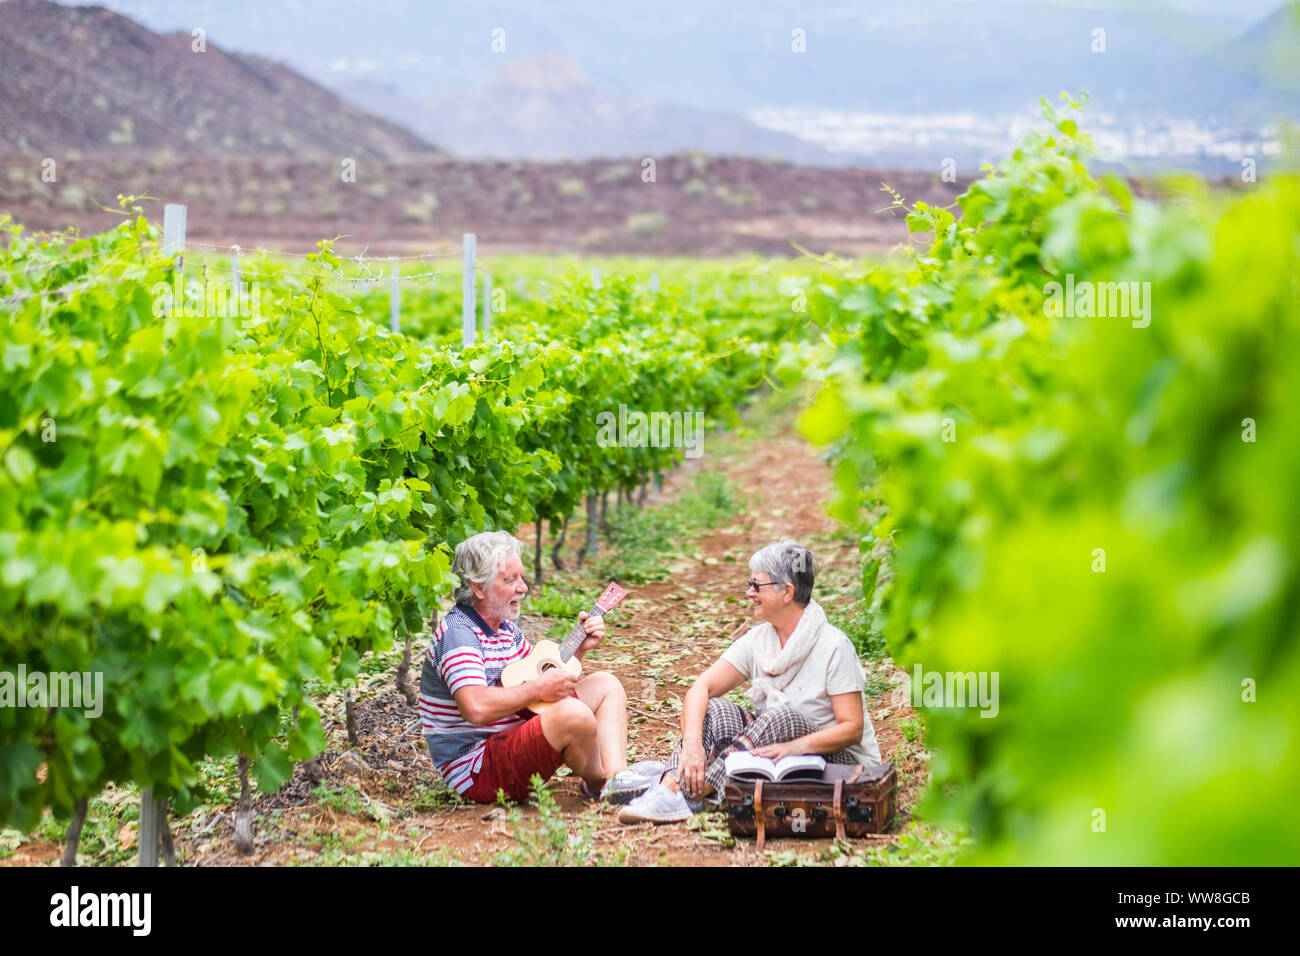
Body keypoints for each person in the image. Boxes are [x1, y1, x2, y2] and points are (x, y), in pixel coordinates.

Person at [619, 539, 881, 824]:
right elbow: (700, 689)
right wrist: (693, 744)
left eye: (757, 586)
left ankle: (685, 794)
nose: (749, 593)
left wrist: (794, 746)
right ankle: (672, 789)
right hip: (786, 757)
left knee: (782, 718)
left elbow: (852, 729)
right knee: (716, 709)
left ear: (787, 592)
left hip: (842, 766)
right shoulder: (760, 641)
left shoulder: (833, 646)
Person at [420, 531, 661, 804]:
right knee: (572, 712)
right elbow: (476, 707)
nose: (523, 587)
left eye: (521, 577)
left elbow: (538, 681)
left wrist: (579, 649)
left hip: (510, 741)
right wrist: (539, 688)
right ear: (479, 587)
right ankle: (600, 783)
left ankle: (620, 777)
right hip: (479, 771)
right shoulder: (459, 635)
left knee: (606, 685)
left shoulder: (505, 628)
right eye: (510, 580)